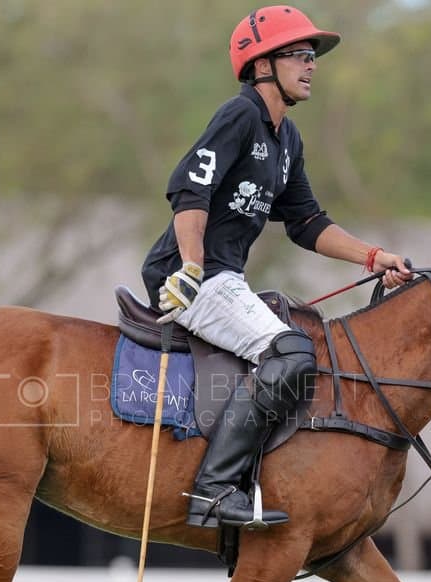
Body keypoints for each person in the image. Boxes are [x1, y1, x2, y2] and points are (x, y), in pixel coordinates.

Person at [141, 5, 412, 531]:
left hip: (224, 276)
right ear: (263, 63)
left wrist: (374, 258)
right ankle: (215, 490)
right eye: (300, 55)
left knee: (293, 347)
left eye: (313, 57)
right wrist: (191, 266)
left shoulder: (287, 140)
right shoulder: (239, 115)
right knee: (291, 352)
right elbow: (188, 190)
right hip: (188, 273)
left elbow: (307, 221)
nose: (311, 65)